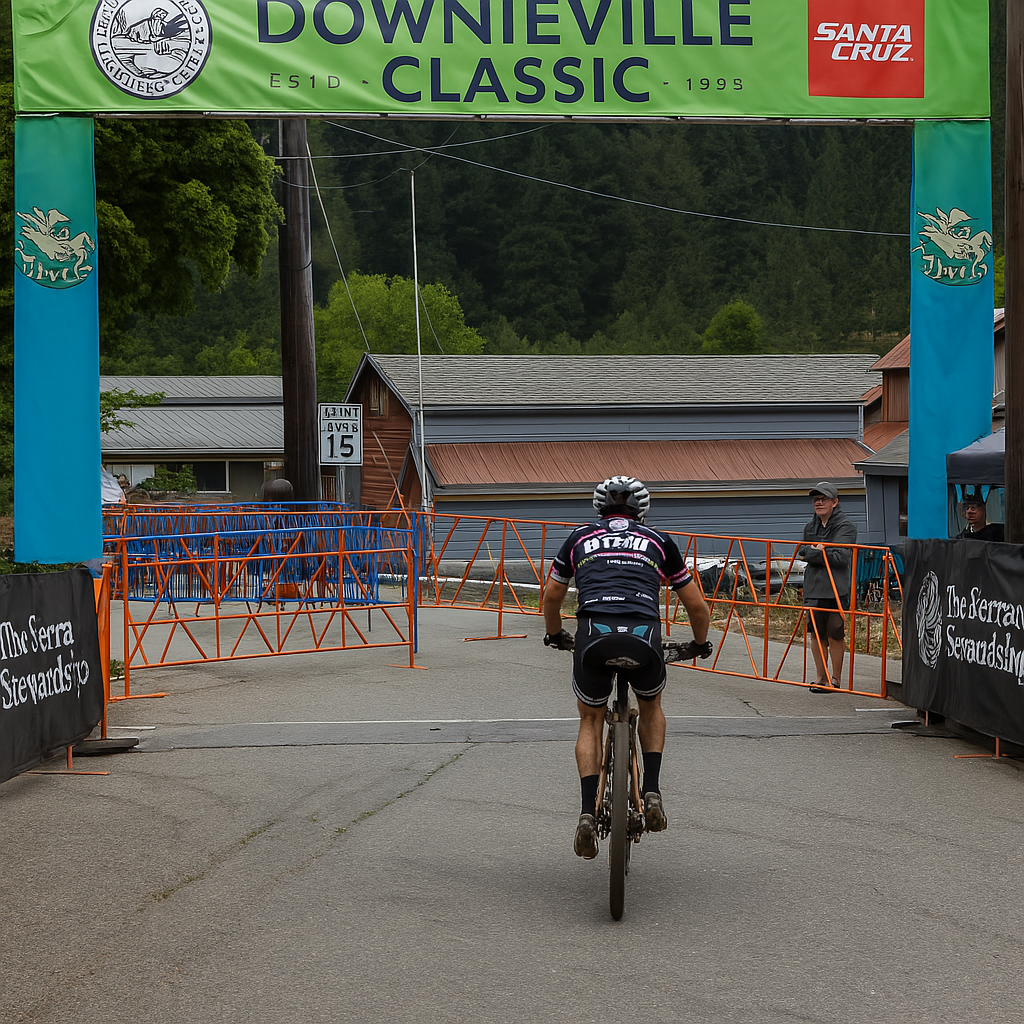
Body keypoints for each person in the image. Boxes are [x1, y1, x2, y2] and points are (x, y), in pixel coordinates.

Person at [542, 475, 712, 860]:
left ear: (599, 508)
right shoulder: (658, 541)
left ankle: (587, 813)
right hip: (643, 634)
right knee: (651, 705)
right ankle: (651, 789)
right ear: (642, 510)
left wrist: (555, 634)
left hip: (593, 633)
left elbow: (552, 594)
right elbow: (697, 607)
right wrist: (699, 644)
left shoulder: (580, 538)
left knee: (590, 720)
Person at [798, 481, 858, 690]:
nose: (819, 502)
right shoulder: (809, 527)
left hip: (836, 588)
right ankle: (821, 677)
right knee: (816, 633)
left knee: (835, 632)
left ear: (835, 502)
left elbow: (842, 557)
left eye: (823, 498)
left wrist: (817, 552)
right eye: (816, 499)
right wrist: (820, 551)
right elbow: (803, 552)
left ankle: (836, 678)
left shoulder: (846, 526)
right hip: (814, 587)